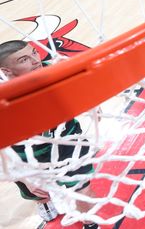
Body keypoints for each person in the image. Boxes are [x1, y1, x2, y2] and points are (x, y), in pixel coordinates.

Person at [0, 40, 99, 229]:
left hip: (67, 141)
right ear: (6, 71)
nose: (36, 60)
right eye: (24, 60)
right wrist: (24, 178)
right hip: (24, 155)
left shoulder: (55, 71)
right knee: (38, 192)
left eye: (35, 53)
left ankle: (91, 223)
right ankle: (43, 202)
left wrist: (93, 100)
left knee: (82, 190)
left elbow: (81, 86)